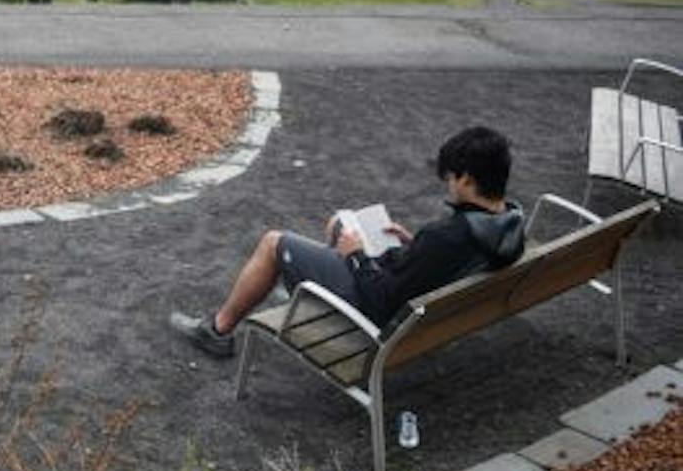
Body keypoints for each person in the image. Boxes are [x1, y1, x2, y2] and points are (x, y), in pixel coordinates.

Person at [169, 125, 527, 359]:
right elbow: (442, 262)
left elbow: (381, 300)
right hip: (424, 305)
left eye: (450, 176)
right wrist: (413, 246)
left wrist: (356, 257)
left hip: (380, 314)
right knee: (341, 221)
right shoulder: (509, 223)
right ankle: (308, 284)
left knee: (273, 242)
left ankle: (217, 330)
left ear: (465, 179)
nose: (448, 184)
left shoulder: (447, 236)